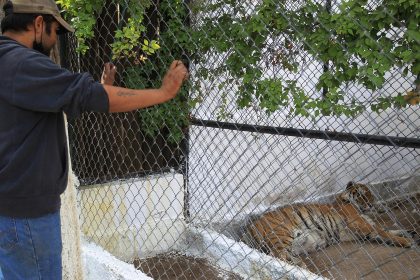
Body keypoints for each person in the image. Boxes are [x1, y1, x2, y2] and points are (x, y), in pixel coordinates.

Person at [0, 0, 189, 279]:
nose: (54, 42)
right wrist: (164, 93)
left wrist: (100, 90)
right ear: (39, 24)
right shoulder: (23, 63)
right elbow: (84, 95)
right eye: (55, 32)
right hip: (27, 215)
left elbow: (35, 113)